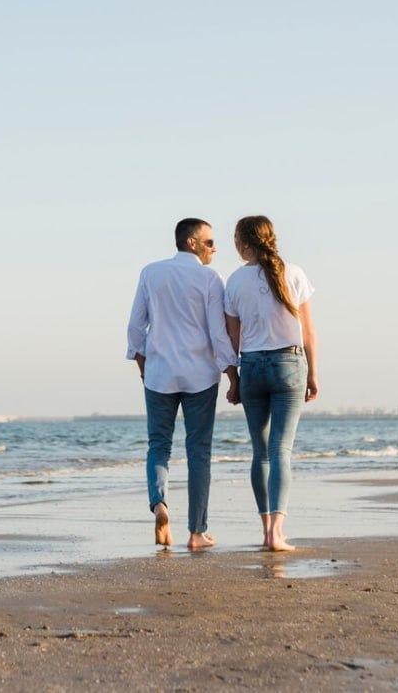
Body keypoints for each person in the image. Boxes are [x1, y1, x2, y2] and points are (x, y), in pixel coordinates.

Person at [127, 218, 240, 551]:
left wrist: (143, 365)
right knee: (198, 452)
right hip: (200, 376)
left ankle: (159, 505)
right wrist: (232, 373)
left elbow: (135, 327)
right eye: (209, 243)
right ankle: (196, 533)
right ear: (191, 243)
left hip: (159, 375)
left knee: (158, 446)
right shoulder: (209, 278)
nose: (215, 249)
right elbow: (218, 333)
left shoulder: (151, 272)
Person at [224, 215, 318, 552]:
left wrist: (233, 377)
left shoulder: (234, 281)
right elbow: (308, 332)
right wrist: (313, 374)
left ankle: (266, 530)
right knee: (281, 451)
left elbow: (231, 338)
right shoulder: (294, 273)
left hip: (251, 365)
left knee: (260, 453)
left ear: (244, 243)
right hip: (289, 363)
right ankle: (277, 533)